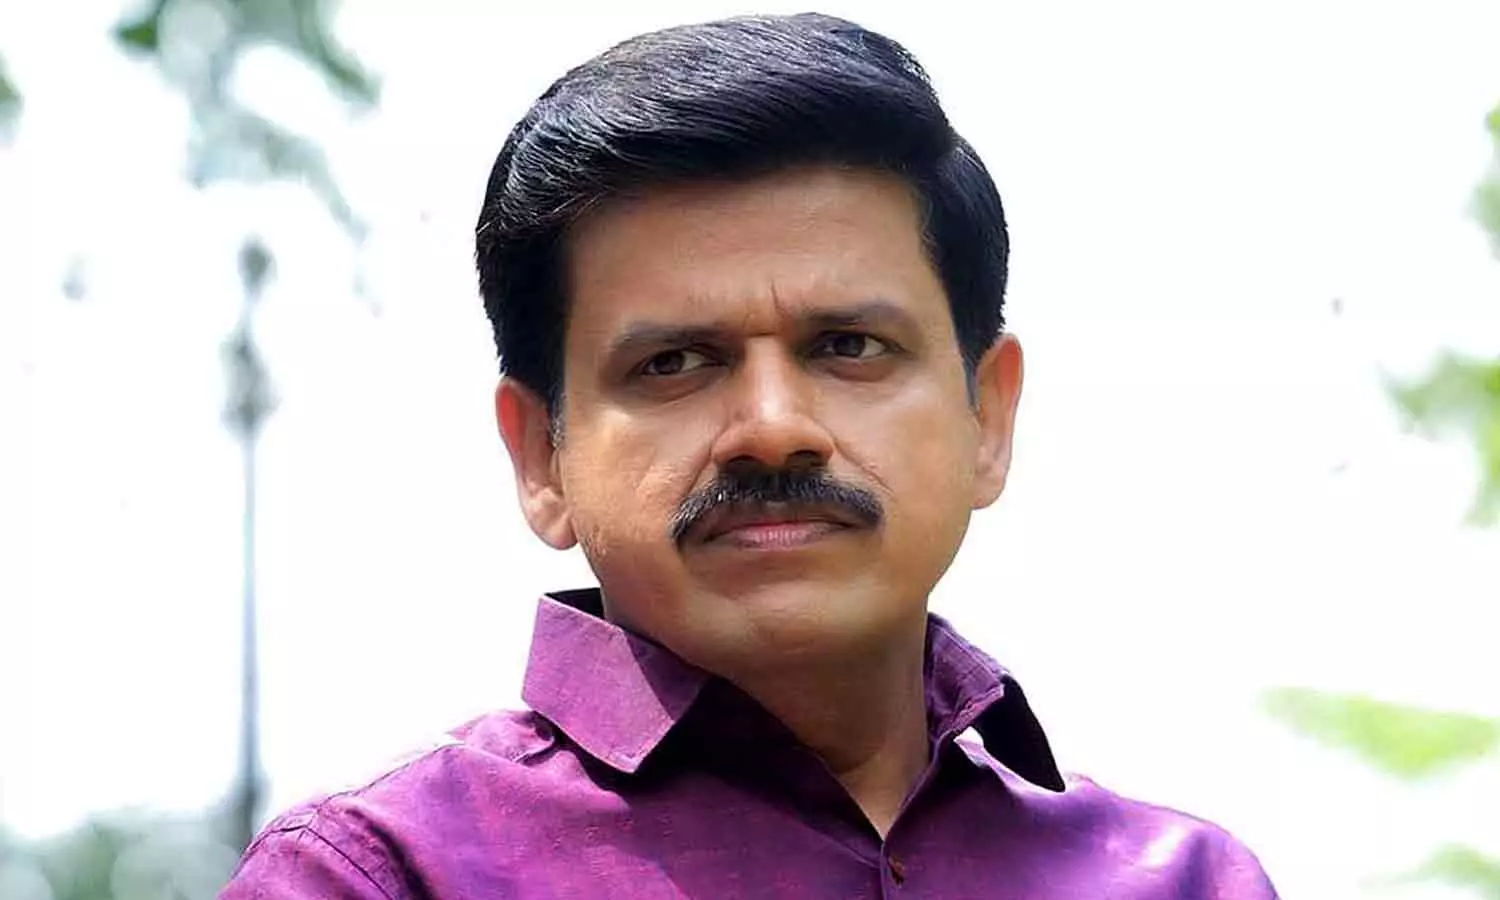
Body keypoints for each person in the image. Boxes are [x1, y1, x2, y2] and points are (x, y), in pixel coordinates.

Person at [220, 12, 1278, 899]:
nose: (773, 427)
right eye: (675, 363)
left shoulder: (1185, 882)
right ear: (541, 457)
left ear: (986, 419)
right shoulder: (385, 878)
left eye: (848, 346)